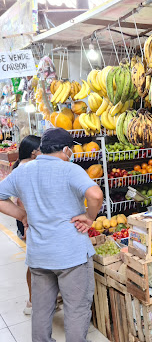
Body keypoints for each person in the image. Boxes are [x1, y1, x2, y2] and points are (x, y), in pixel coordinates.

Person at [0, 128, 104, 342]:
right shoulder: (70, 169)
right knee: (76, 309)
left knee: (41, 309)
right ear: (66, 149)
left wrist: (22, 215)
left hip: (39, 255)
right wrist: (89, 217)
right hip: (71, 255)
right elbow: (95, 194)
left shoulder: (23, 170)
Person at [11, 135, 42, 315]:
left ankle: (35, 299)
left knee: (35, 264)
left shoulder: (20, 166)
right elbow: (21, 201)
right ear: (33, 153)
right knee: (35, 265)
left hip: (31, 224)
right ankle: (32, 301)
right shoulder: (26, 169)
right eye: (41, 150)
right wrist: (25, 220)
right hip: (33, 225)